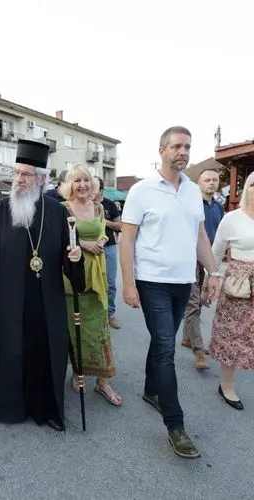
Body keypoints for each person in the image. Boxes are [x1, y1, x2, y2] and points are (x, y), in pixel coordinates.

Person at [120, 126, 220, 459]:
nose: (183, 151)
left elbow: (200, 236)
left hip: (183, 282)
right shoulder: (142, 190)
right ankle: (175, 425)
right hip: (152, 282)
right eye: (177, 146)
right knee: (166, 347)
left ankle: (151, 390)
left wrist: (213, 272)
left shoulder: (192, 191)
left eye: (187, 146)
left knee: (162, 340)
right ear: (162, 150)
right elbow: (127, 239)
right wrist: (129, 283)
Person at [0, 139, 84, 431]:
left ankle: (44, 408)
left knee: (42, 351)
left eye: (25, 174)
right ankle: (10, 404)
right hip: (8, 296)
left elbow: (70, 259)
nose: (18, 179)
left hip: (46, 297)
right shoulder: (0, 210)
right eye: (16, 173)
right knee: (11, 350)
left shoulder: (58, 212)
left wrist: (75, 258)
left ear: (41, 179)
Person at [62, 166, 122, 406]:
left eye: (86, 180)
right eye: (77, 180)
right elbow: (57, 240)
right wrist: (84, 244)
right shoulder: (63, 209)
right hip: (73, 276)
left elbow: (103, 231)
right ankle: (78, 373)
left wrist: (102, 240)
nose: (83, 185)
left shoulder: (97, 207)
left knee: (100, 329)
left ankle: (103, 381)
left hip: (97, 274)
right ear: (70, 184)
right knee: (75, 330)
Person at [203, 172, 254, 410]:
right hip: (239, 284)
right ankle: (227, 384)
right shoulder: (232, 218)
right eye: (253, 184)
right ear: (246, 188)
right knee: (233, 334)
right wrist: (209, 278)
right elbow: (215, 251)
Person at [182, 169, 223, 369]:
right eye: (207, 180)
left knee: (199, 301)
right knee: (193, 302)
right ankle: (199, 351)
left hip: (209, 259)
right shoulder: (191, 204)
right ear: (198, 183)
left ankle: (187, 337)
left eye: (215, 180)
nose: (211, 183)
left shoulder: (218, 206)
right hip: (190, 258)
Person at [95, 177, 122, 329]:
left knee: (110, 283)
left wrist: (104, 221)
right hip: (91, 247)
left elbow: (119, 225)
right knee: (92, 282)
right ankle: (97, 314)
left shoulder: (110, 204)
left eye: (96, 188)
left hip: (109, 246)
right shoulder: (86, 204)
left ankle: (110, 314)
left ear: (101, 190)